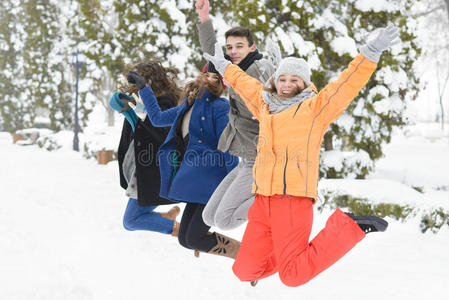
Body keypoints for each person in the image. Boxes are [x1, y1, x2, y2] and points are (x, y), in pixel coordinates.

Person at [204, 24, 399, 286]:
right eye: (282, 79)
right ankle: (288, 258)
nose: (286, 84)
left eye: (293, 80)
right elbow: (245, 84)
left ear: (304, 84)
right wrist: (225, 66)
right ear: (275, 81)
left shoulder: (314, 109)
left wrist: (371, 52)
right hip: (262, 201)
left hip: (292, 201)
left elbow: (346, 85)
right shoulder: (265, 105)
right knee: (244, 271)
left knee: (293, 277)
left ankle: (351, 227)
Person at [127, 63, 240, 258]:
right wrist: (144, 89)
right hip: (195, 182)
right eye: (207, 74)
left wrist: (233, 185)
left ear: (223, 84)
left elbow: (227, 147)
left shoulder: (220, 106)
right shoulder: (189, 105)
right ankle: (243, 253)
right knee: (185, 240)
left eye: (216, 78)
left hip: (214, 184)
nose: (209, 79)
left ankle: (245, 253)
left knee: (194, 238)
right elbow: (157, 118)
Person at [195, 0, 275, 230]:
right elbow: (213, 53)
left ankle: (273, 200)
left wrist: (236, 86)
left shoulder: (259, 69)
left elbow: (263, 106)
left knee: (224, 220)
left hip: (261, 158)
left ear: (252, 47)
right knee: (209, 216)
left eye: (239, 46)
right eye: (230, 48)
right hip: (245, 158)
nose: (233, 52)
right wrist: (204, 17)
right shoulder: (235, 69)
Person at [110, 60, 182, 236]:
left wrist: (145, 117)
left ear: (151, 82)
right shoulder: (138, 101)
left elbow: (166, 135)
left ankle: (179, 231)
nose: (135, 87)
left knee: (130, 220)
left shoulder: (167, 103)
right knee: (134, 218)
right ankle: (167, 219)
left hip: (157, 173)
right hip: (144, 172)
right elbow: (116, 104)